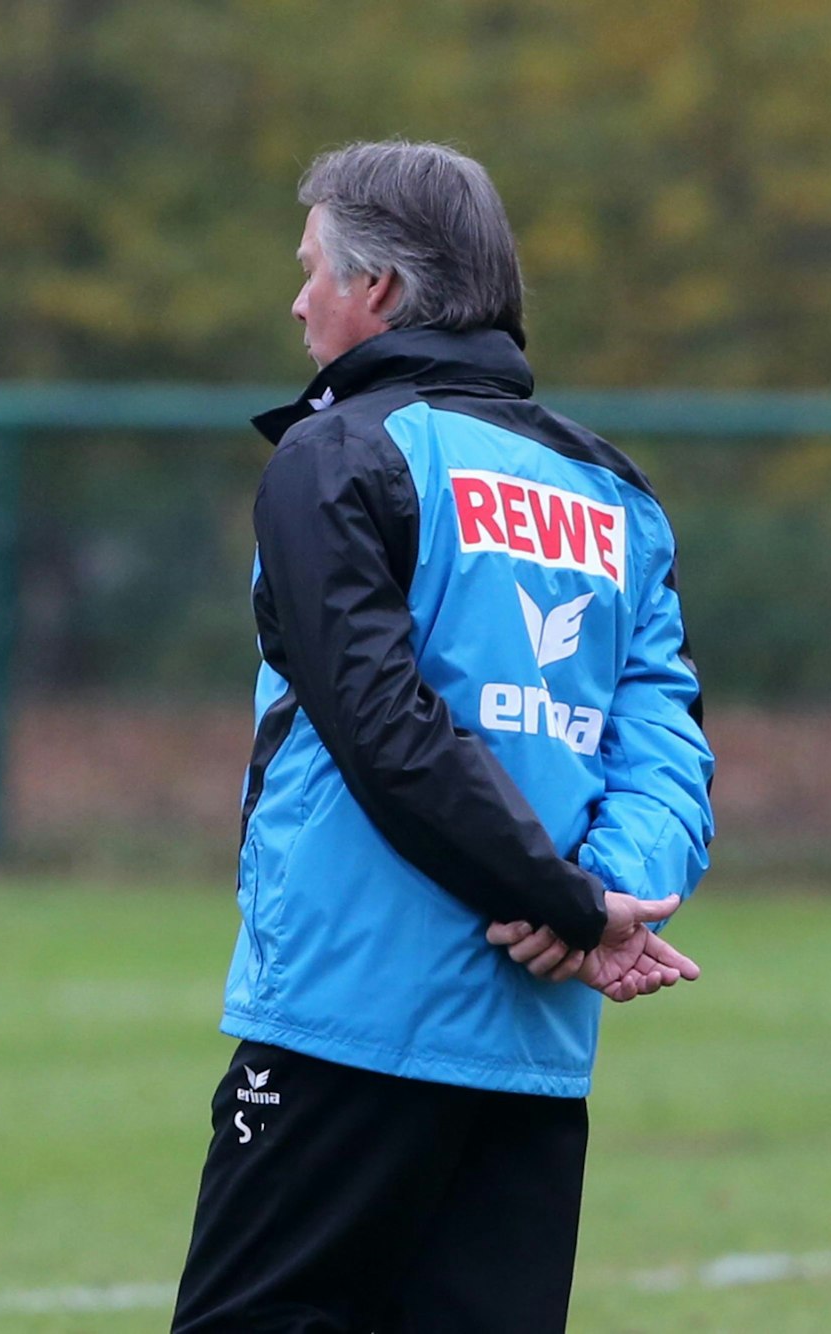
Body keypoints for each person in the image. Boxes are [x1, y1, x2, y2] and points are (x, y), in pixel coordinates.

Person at [170, 141, 714, 1333]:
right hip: (531, 1032)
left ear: (380, 292)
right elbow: (661, 729)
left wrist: (570, 903)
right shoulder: (611, 491)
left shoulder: (338, 454)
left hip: (346, 1017)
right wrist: (609, 891)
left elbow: (381, 723)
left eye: (312, 268)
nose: (297, 300)